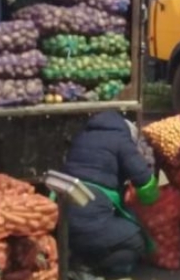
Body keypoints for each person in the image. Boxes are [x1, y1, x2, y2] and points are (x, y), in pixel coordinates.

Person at [63, 111, 160, 279]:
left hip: (65, 221)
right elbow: (143, 179)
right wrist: (153, 198)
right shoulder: (122, 140)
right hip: (90, 219)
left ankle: (78, 259)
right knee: (138, 242)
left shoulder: (82, 136)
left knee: (98, 230)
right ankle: (88, 266)